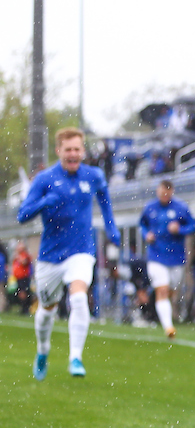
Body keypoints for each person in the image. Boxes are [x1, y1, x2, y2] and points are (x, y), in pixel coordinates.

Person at [17, 127, 120, 379]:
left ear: (83, 151)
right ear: (58, 151)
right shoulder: (44, 179)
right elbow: (22, 215)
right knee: (46, 312)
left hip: (81, 250)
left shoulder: (93, 175)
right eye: (68, 150)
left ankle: (75, 357)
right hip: (50, 256)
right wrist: (43, 203)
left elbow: (104, 199)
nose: (73, 154)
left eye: (77, 149)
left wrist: (111, 226)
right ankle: (43, 351)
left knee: (78, 298)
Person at [138, 179, 195, 338]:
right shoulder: (150, 208)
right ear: (158, 191)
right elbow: (142, 224)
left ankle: (161, 313)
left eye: (168, 192)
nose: (165, 195)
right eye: (162, 192)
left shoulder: (181, 208)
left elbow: (192, 226)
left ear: (172, 192)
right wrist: (146, 234)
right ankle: (168, 327)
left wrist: (180, 229)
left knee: (170, 291)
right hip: (156, 255)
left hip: (176, 257)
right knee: (162, 290)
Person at [12, 241, 33, 315]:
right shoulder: (18, 255)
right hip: (19, 278)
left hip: (24, 277)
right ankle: (23, 308)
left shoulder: (24, 255)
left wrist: (19, 258)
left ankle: (25, 308)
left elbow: (24, 262)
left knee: (24, 292)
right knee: (20, 292)